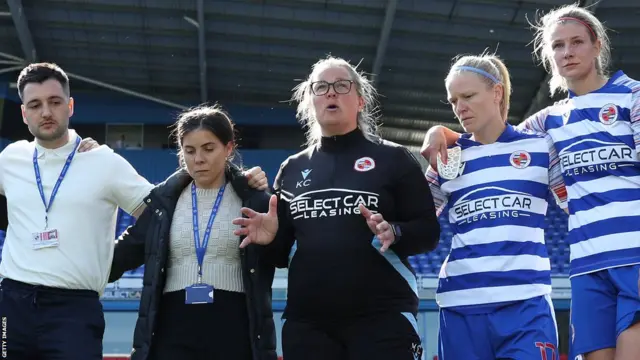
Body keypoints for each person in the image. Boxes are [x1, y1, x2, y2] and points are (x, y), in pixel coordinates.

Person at [0, 62, 268, 360]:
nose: (46, 112)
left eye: (54, 102)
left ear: (70, 106)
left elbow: (158, 211)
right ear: (24, 113)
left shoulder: (103, 162)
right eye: (35, 105)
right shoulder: (10, 158)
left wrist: (243, 179)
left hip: (74, 307)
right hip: (12, 304)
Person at [421, 5, 640, 360]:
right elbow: (499, 143)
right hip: (586, 264)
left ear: (597, 44)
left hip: (633, 252)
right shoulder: (547, 123)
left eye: (576, 42)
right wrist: (441, 132)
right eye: (557, 45)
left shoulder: (632, 96)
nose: (566, 52)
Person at [233, 55, 441, 360]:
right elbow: (281, 254)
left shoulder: (394, 159)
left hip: (383, 318)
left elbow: (429, 232)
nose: (331, 92)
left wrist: (394, 231)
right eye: (321, 87)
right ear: (310, 101)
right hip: (308, 325)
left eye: (341, 85)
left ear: (360, 100)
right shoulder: (291, 168)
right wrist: (269, 240)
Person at [107, 105, 277, 360]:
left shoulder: (254, 200)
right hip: (172, 327)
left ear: (229, 148)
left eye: (209, 149)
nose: (199, 158)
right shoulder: (162, 204)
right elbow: (118, 257)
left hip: (234, 327)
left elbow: (279, 255)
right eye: (190, 150)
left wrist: (274, 240)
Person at [427, 53, 565, 360]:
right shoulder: (448, 156)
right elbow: (420, 221)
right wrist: (391, 226)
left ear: (497, 92)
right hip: (460, 306)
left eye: (468, 96)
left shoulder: (540, 147)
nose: (460, 107)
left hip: (526, 303)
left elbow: (575, 203)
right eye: (453, 101)